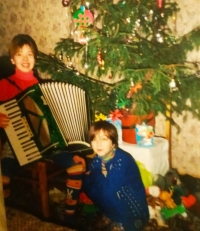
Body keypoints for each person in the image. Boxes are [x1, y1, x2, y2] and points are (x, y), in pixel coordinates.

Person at [0, 34, 86, 230]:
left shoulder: (44, 87)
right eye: (19, 54)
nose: (25, 59)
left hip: (47, 144)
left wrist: (74, 150)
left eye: (29, 54)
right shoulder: (4, 85)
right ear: (12, 59)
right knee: (2, 176)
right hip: (17, 145)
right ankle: (9, 213)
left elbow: (58, 122)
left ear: (35, 59)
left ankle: (69, 216)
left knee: (76, 168)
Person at [82, 120, 149, 231]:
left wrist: (94, 174)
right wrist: (93, 177)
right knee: (89, 185)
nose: (98, 144)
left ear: (113, 142)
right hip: (115, 202)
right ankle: (110, 214)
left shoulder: (122, 160)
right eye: (94, 139)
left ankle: (123, 221)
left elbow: (107, 189)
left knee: (105, 189)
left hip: (132, 211)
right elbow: (87, 181)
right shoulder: (98, 158)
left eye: (104, 139)